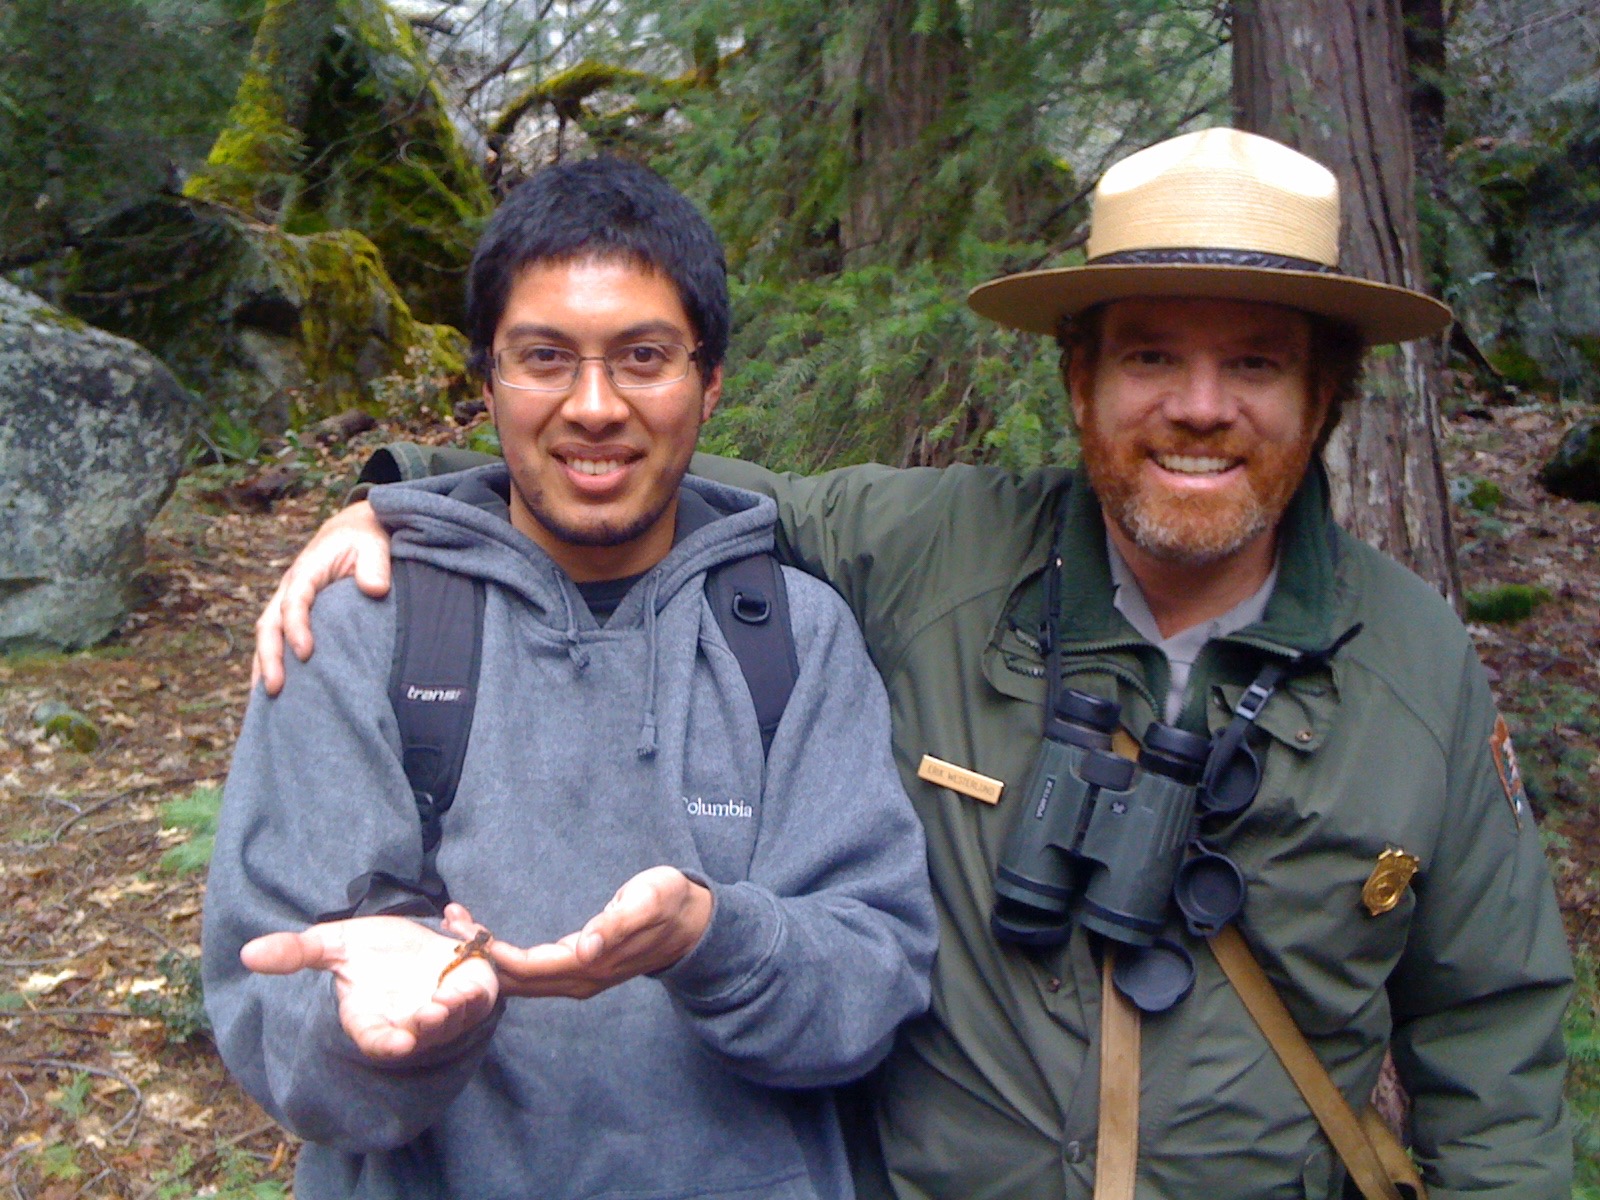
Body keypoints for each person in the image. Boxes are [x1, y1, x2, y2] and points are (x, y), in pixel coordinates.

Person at [251, 129, 1573, 1199]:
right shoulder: (941, 556)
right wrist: (411, 504)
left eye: (1258, 363)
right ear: (1078, 381)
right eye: (1152, 355)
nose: (1200, 406)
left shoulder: (1414, 666)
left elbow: (1492, 1029)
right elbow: (632, 462)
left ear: (1326, 393)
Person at [202, 156, 937, 1200]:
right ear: (485, 379)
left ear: (709, 379)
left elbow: (871, 980)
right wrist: (389, 1028)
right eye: (544, 357)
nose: (594, 406)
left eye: (643, 356)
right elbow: (274, 1001)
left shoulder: (793, 637)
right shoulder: (366, 625)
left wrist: (710, 939)